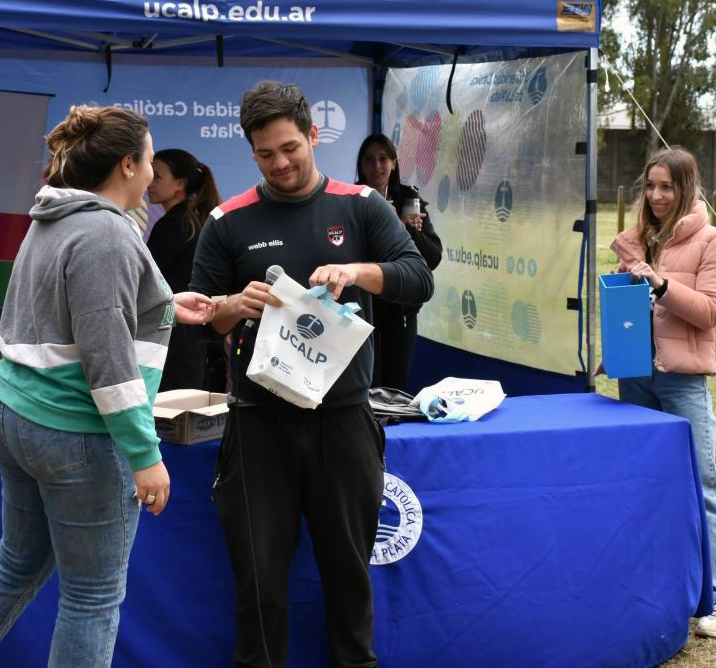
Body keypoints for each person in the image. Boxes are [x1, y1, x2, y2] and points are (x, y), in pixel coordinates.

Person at [0, 105, 213, 668]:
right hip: (75, 431)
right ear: (127, 164)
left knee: (17, 560)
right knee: (92, 596)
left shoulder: (56, 215)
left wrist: (163, 304)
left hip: (14, 413)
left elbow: (77, 311)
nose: (151, 170)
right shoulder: (105, 232)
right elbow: (107, 358)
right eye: (149, 157)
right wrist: (144, 454)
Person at [189, 81, 434, 667]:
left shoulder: (362, 205)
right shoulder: (228, 220)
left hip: (344, 420)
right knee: (260, 583)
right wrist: (229, 306)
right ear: (251, 153)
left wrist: (360, 272)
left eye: (290, 148)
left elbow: (417, 279)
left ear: (313, 136)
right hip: (257, 424)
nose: (280, 163)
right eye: (265, 154)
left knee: (349, 575)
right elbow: (197, 315)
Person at [610, 146, 716, 639]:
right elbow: (628, 310)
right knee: (644, 481)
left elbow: (711, 311)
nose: (657, 195)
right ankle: (657, 586)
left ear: (687, 188)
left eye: (668, 186)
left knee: (703, 485)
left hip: (683, 380)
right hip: (635, 374)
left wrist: (660, 284)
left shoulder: (713, 241)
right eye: (650, 185)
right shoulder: (636, 241)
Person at [355, 133, 442, 390]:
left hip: (400, 310)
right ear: (361, 165)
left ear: (393, 163)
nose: (377, 166)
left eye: (383, 159)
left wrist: (406, 229)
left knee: (395, 385)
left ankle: (395, 431)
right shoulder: (351, 198)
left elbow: (432, 258)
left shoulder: (410, 200)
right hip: (362, 310)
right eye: (369, 160)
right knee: (366, 384)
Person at [147, 148, 223, 391]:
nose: (150, 181)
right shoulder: (197, 220)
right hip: (195, 337)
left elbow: (146, 281)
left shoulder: (173, 224)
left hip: (173, 336)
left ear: (180, 183)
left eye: (157, 176)